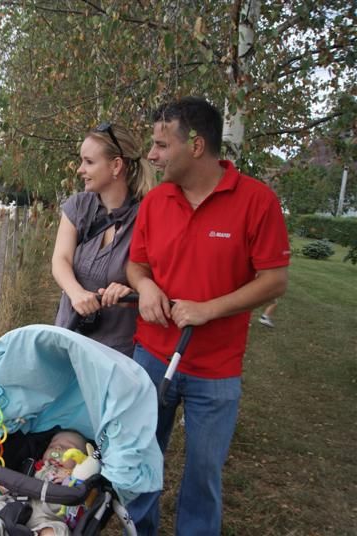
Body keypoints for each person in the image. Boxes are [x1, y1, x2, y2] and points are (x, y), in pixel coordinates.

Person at [125, 97, 290, 535]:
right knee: (140, 460)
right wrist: (145, 287)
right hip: (151, 358)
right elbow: (136, 265)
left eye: (161, 145)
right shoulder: (155, 202)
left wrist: (209, 309)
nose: (152, 155)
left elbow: (275, 280)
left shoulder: (257, 201)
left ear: (196, 145)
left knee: (203, 475)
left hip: (216, 371)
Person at [52, 123, 156, 356]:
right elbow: (60, 259)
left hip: (115, 353)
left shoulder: (147, 217)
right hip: (69, 338)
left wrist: (130, 291)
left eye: (89, 162)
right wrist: (76, 293)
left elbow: (152, 277)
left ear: (116, 165)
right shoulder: (79, 206)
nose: (80, 170)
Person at [0, 430, 89, 536]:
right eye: (52, 446)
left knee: (58, 531)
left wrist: (71, 479)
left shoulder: (76, 479)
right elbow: (8, 484)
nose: (58, 449)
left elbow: (80, 506)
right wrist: (4, 487)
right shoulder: (30, 466)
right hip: (10, 508)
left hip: (46, 519)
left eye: (67, 448)